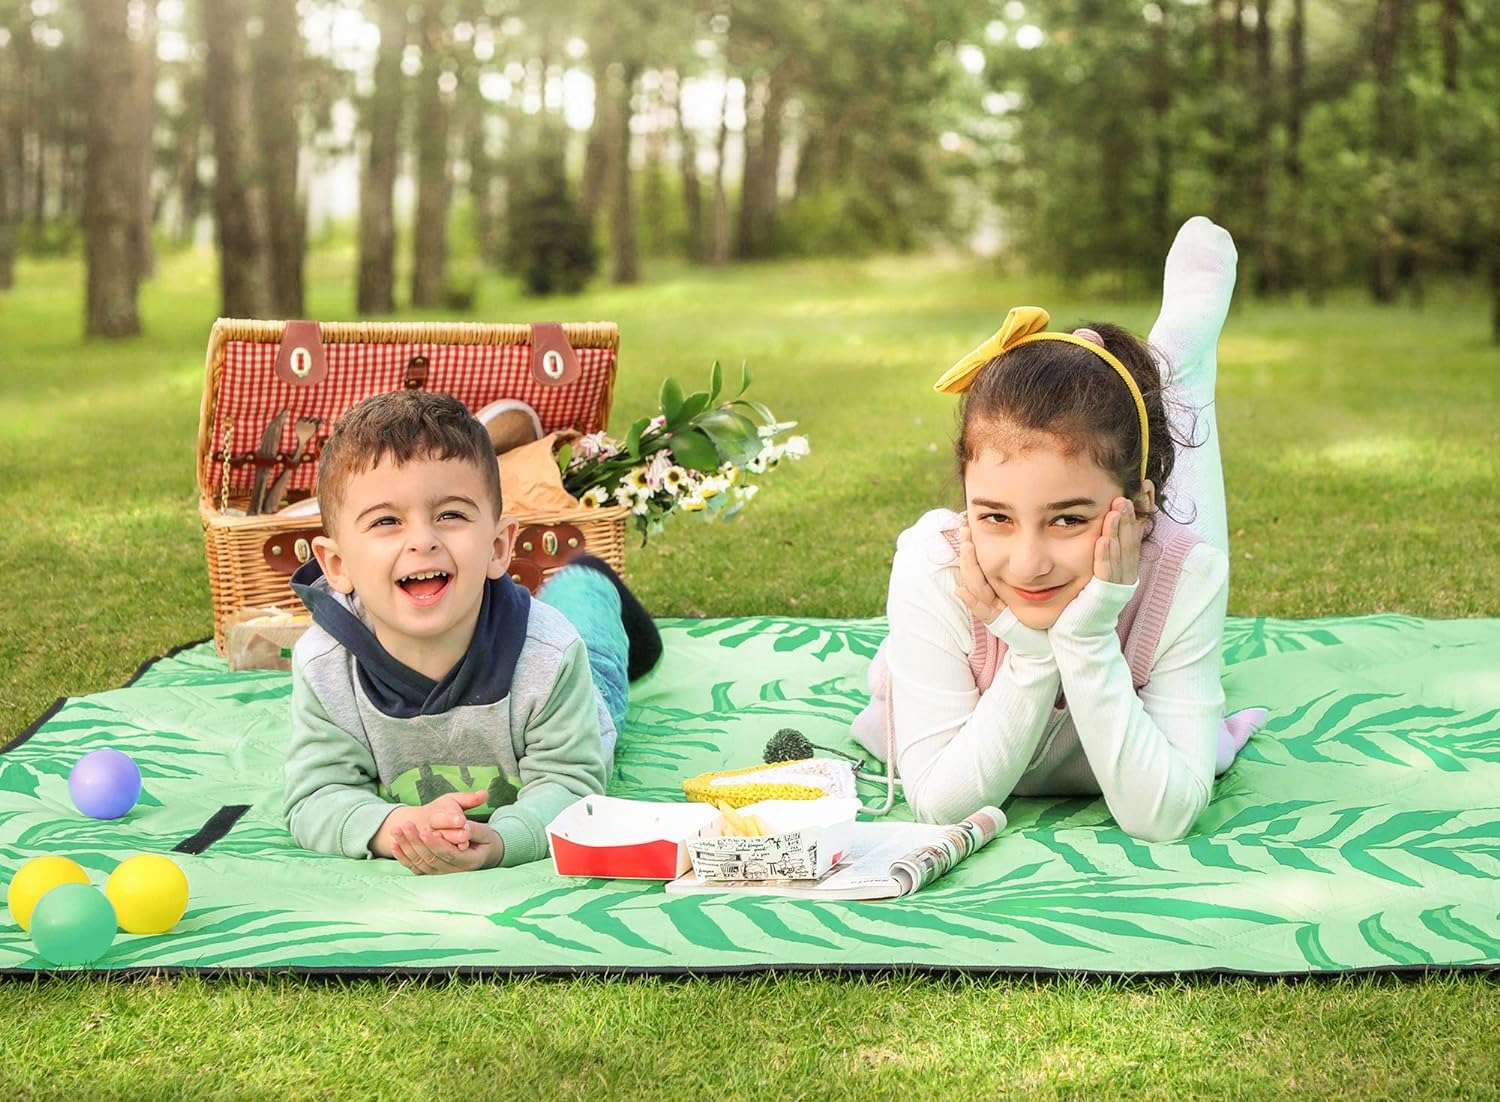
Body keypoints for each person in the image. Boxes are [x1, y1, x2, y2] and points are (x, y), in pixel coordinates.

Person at [852, 216, 1265, 841]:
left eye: (1068, 518)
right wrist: (1029, 651)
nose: (1028, 563)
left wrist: (1090, 637)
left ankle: (1181, 377)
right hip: (976, 670)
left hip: (1142, 580)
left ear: (1136, 509)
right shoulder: (935, 566)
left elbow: (1166, 817)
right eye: (995, 516)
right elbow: (940, 805)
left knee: (1185, 550)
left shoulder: (1186, 574)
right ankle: (1173, 380)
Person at [282, 390, 661, 873]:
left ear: (499, 547)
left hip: (583, 690)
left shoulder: (551, 653)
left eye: (451, 515)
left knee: (592, 633)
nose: (423, 540)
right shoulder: (325, 665)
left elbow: (570, 782)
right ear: (336, 565)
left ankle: (588, 578)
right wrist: (398, 827)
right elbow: (315, 795)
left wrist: (505, 840)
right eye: (386, 521)